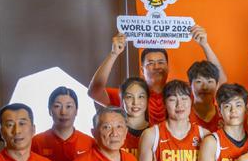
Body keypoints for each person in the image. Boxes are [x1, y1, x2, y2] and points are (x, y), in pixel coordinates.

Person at [88, 25, 226, 125]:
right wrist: (113, 54)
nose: (156, 67)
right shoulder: (132, 95)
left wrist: (205, 45)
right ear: (142, 69)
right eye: (151, 63)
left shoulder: (183, 93)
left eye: (161, 62)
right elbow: (95, 92)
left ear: (168, 67)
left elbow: (221, 84)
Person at [31, 86, 95, 161]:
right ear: (49, 111)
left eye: (69, 106)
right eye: (57, 106)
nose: (63, 112)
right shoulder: (36, 142)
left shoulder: (90, 143)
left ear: (76, 111)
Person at [188, 60, 224, 132]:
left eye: (210, 81)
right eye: (199, 82)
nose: (204, 87)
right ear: (190, 85)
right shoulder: (183, 116)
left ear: (217, 85)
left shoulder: (225, 115)